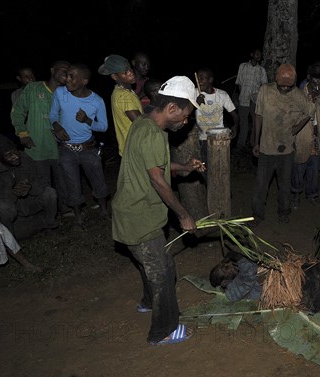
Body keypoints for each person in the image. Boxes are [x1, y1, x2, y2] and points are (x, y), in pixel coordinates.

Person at [111, 75, 205, 346]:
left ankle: (147, 302)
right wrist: (184, 214)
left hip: (132, 211)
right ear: (172, 109)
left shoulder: (143, 122)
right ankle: (163, 331)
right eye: (185, 115)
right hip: (139, 215)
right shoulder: (153, 133)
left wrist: (185, 166)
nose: (185, 122)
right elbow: (158, 180)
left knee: (151, 263)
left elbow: (155, 166)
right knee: (163, 271)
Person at [250, 63, 315, 226]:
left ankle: (284, 212)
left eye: (289, 86)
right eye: (282, 85)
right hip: (266, 147)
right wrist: (256, 141)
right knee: (261, 185)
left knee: (285, 185)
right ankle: (257, 214)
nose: (285, 88)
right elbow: (258, 116)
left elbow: (309, 112)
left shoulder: (299, 96)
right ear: (276, 80)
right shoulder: (265, 90)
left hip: (287, 149)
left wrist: (295, 129)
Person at [49, 63, 110, 227]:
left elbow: (103, 127)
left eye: (71, 76)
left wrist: (87, 121)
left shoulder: (96, 101)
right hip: (66, 149)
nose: (66, 79)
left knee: (98, 181)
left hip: (88, 148)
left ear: (84, 81)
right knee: (72, 184)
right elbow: (53, 114)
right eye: (66, 75)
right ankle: (78, 217)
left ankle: (104, 210)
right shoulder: (60, 93)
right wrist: (56, 126)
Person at [10, 60, 71, 216]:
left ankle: (66, 209)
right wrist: (22, 134)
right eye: (63, 70)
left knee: (63, 182)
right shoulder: (33, 88)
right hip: (36, 147)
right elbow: (17, 113)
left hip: (60, 147)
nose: (66, 73)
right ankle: (47, 216)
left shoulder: (68, 93)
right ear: (52, 70)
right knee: (42, 184)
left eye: (69, 71)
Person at [0, 133, 58, 237]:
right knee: (3, 207)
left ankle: (50, 226)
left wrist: (30, 186)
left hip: (31, 205)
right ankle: (11, 241)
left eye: (15, 151)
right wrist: (13, 193)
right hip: (15, 215)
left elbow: (42, 182)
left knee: (50, 192)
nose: (15, 156)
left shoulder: (24, 157)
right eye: (8, 155)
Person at [291, 62, 320, 209]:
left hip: (316, 137)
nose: (318, 82)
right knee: (299, 167)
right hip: (302, 136)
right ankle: (295, 196)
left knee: (314, 169)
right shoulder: (299, 95)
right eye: (315, 78)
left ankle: (312, 195)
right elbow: (294, 119)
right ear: (309, 77)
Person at [98, 54, 143, 157]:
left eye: (130, 69)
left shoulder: (120, 90)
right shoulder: (124, 96)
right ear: (114, 76)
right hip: (134, 151)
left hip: (129, 148)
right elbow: (141, 123)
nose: (131, 73)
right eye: (125, 72)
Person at [193, 67, 239, 164]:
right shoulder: (194, 93)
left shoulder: (222, 95)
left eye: (202, 78)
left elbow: (235, 115)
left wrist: (235, 126)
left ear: (210, 80)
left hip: (219, 138)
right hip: (201, 138)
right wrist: (195, 104)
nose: (199, 81)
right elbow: (183, 113)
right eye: (198, 78)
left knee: (218, 167)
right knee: (203, 167)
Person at [234, 48, 268, 151]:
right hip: (243, 99)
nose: (258, 56)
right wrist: (238, 97)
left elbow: (264, 86)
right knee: (243, 123)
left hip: (255, 101)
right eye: (256, 54)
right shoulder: (243, 66)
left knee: (255, 123)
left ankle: (253, 144)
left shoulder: (261, 70)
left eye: (260, 55)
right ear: (252, 54)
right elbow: (239, 83)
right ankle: (240, 145)